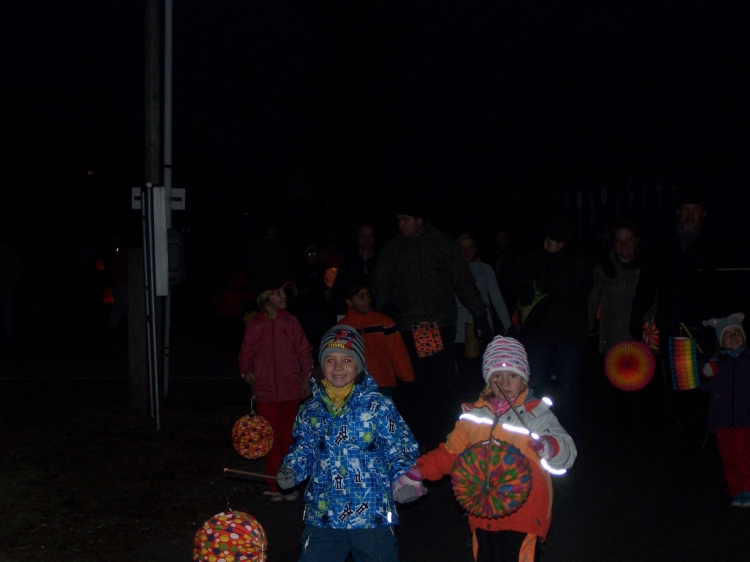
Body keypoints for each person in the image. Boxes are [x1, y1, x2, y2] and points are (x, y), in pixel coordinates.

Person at [402, 336, 576, 561]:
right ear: (488, 380)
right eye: (497, 376)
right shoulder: (473, 417)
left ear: (524, 379)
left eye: (512, 375)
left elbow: (566, 450)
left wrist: (550, 446)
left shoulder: (537, 415)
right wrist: (417, 472)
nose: (504, 383)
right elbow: (449, 454)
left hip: (525, 516)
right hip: (484, 515)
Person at [276, 325, 420, 562]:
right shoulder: (310, 410)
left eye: (347, 360)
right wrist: (292, 469)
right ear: (321, 365)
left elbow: (401, 449)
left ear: (359, 365)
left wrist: (405, 481)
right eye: (330, 360)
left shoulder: (378, 407)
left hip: (371, 515)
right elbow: (303, 449)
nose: (338, 367)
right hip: (323, 514)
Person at [370, 206, 491, 449]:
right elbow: (379, 284)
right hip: (406, 328)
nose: (401, 225)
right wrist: (386, 311)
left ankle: (447, 438)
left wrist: (480, 315)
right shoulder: (393, 248)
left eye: (405, 219)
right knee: (414, 385)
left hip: (439, 326)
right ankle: (420, 440)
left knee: (443, 384)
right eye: (398, 220)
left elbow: (463, 280)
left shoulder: (442, 243)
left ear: (419, 219)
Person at [630, 190, 717, 451]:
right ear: (678, 213)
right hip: (673, 326)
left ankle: (699, 436)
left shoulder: (715, 243)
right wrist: (636, 316)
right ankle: (688, 432)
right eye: (685, 209)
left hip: (706, 328)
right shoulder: (662, 243)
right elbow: (647, 284)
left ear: (704, 214)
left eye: (695, 210)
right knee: (678, 385)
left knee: (704, 382)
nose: (690, 215)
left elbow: (725, 287)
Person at [516, 218, 593, 438]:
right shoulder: (540, 259)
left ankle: (566, 439)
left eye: (549, 241)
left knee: (566, 391)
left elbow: (562, 286)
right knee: (537, 387)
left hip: (570, 337)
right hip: (540, 336)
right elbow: (518, 276)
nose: (544, 246)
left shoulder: (579, 261)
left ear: (561, 242)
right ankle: (537, 435)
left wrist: (545, 271)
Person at [238, 277, 312, 501]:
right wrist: (247, 372)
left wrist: (306, 379)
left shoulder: (290, 322)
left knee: (287, 438)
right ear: (266, 297)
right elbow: (246, 354)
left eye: (284, 293)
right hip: (266, 392)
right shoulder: (255, 325)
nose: (284, 297)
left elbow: (303, 351)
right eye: (278, 293)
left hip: (290, 390)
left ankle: (288, 484)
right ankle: (273, 484)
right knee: (270, 439)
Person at [588, 220, 648, 440]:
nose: (624, 245)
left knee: (643, 387)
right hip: (613, 338)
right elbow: (593, 299)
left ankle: (646, 433)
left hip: (641, 338)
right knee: (617, 391)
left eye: (628, 240)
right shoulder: (603, 269)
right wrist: (587, 328)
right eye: (619, 240)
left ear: (636, 241)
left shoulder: (647, 267)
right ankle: (622, 435)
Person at [701, 313, 750, 507]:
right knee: (728, 457)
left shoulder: (748, 360)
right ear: (721, 341)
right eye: (727, 334)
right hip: (722, 419)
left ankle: (747, 488)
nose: (733, 337)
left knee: (743, 455)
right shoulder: (716, 362)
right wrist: (705, 374)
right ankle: (735, 490)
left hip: (745, 418)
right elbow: (704, 387)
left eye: (737, 333)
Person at [340, 282, 415, 396]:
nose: (367, 300)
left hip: (383, 382)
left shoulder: (383, 322)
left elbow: (398, 352)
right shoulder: (342, 328)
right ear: (349, 302)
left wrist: (407, 377)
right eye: (361, 297)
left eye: (368, 295)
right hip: (355, 386)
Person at [455, 233, 511, 347]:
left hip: (482, 325)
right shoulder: (451, 271)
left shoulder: (485, 269)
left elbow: (496, 298)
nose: (466, 251)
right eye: (462, 248)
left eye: (470, 247)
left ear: (475, 249)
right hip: (458, 328)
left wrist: (507, 325)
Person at [330, 224, 378, 319]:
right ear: (357, 239)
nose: (367, 240)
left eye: (370, 236)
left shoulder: (382, 262)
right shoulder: (348, 264)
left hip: (376, 315)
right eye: (363, 236)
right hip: (353, 316)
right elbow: (338, 292)